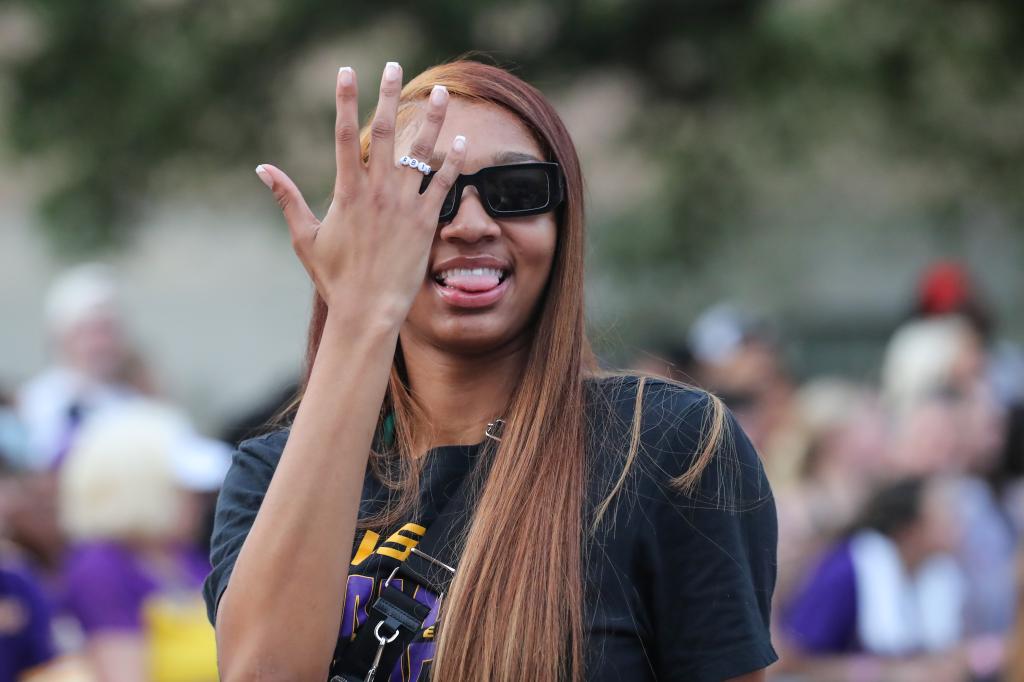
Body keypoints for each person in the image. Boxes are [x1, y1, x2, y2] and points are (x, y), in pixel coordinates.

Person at [204, 60, 777, 682]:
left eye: (516, 190)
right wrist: (358, 314)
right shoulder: (269, 476)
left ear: (564, 223)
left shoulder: (666, 443)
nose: (472, 225)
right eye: (423, 191)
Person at [58, 401, 226, 682]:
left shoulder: (185, 559)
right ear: (140, 489)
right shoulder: (100, 568)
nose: (201, 502)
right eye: (185, 490)